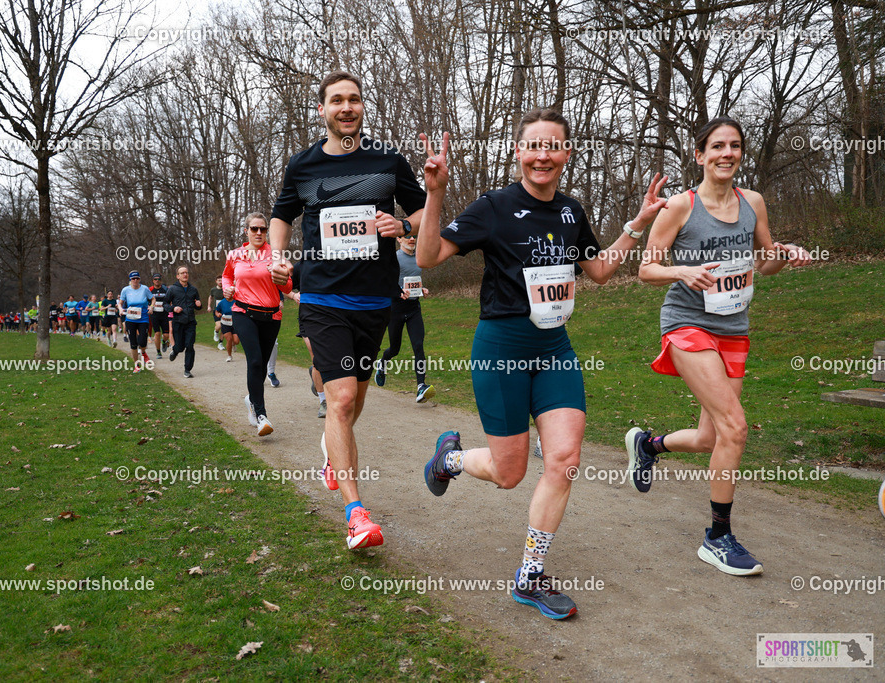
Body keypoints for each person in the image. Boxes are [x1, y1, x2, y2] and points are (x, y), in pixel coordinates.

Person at [416, 109, 668, 619]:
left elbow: (598, 271)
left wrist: (636, 225)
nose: (543, 156)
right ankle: (450, 459)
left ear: (567, 155)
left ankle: (530, 575)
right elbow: (426, 258)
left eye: (553, 147)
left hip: (554, 350)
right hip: (502, 350)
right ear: (518, 152)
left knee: (564, 459)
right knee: (509, 473)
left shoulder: (572, 212)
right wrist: (435, 193)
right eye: (533, 146)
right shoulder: (493, 207)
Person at [629, 116, 812, 576]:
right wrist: (681, 271)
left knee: (711, 436)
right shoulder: (680, 206)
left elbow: (765, 265)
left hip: (734, 328)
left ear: (741, 154)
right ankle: (717, 537)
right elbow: (647, 269)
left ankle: (649, 446)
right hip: (687, 324)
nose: (726, 153)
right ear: (700, 155)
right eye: (717, 147)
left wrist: (783, 255)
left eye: (734, 146)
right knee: (735, 427)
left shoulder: (753, 202)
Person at [269, 70, 426, 550]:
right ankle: (357, 514)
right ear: (322, 110)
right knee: (338, 401)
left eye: (354, 99)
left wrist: (398, 224)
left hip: (375, 298)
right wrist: (278, 256)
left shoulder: (388, 162)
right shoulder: (303, 165)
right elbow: (281, 215)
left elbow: (422, 214)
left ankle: (332, 454)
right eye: (336, 100)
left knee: (354, 404)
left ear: (362, 107)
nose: (346, 107)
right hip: (320, 296)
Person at [223, 212, 293, 436]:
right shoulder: (235, 255)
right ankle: (261, 415)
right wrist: (227, 289)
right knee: (254, 361)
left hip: (271, 316)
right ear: (246, 231)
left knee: (262, 365)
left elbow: (289, 287)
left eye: (263, 229)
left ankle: (251, 400)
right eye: (254, 229)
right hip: (243, 312)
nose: (259, 233)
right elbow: (226, 276)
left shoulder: (275, 254)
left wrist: (281, 278)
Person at [375, 235, 435, 403]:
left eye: (415, 236)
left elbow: (413, 282)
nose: (412, 239)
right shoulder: (394, 258)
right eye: (408, 236)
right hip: (395, 309)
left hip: (414, 308)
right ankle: (382, 363)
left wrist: (421, 289)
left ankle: (421, 386)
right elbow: (384, 283)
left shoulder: (419, 257)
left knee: (418, 346)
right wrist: (398, 291)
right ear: (399, 239)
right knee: (394, 349)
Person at [165, 265, 203, 378]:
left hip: (191, 322)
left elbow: (198, 305)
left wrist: (199, 305)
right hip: (178, 322)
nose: (185, 274)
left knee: (190, 346)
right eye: (182, 273)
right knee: (180, 347)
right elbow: (165, 304)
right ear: (178, 276)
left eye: (186, 272)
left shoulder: (193, 289)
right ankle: (175, 351)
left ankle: (187, 370)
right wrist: (173, 309)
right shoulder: (172, 289)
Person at [118, 271, 154, 371]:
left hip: (143, 319)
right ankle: (136, 365)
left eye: (137, 278)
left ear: (139, 279)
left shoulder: (145, 289)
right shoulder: (125, 290)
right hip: (130, 318)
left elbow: (153, 299)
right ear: (130, 280)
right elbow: (120, 303)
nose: (135, 280)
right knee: (133, 343)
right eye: (133, 279)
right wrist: (120, 309)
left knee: (142, 341)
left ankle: (143, 352)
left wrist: (151, 307)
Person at [149, 274, 171, 357]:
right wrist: (149, 306)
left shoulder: (165, 289)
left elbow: (170, 299)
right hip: (154, 314)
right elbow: (146, 299)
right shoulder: (150, 290)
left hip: (164, 314)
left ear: (161, 280)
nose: (157, 280)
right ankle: (158, 352)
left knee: (166, 335)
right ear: (153, 280)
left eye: (158, 279)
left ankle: (164, 341)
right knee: (157, 333)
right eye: (155, 279)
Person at [207, 277, 226, 349]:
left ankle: (220, 343)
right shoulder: (213, 290)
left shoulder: (225, 288)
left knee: (224, 327)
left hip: (225, 310)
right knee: (219, 326)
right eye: (219, 280)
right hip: (216, 310)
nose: (220, 282)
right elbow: (210, 297)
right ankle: (216, 331)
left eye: (222, 280)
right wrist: (209, 306)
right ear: (216, 281)